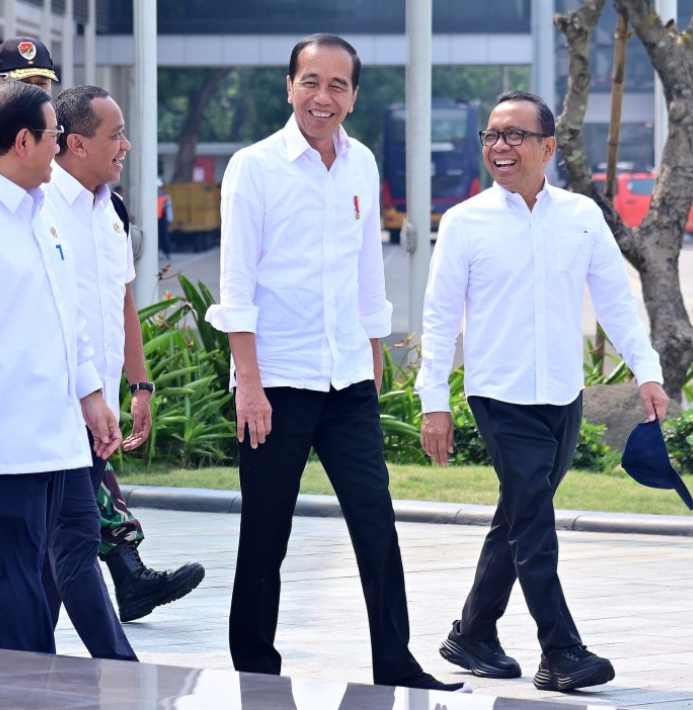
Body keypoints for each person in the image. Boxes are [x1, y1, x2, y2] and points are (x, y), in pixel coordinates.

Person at [204, 34, 466, 692]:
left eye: (337, 85)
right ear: (287, 87)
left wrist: (373, 356)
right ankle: (256, 670)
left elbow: (365, 269)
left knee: (375, 521)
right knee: (266, 532)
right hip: (277, 385)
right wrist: (250, 386)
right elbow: (235, 288)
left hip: (347, 378)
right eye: (310, 82)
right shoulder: (254, 168)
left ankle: (395, 662)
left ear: (353, 95)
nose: (323, 97)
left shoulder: (360, 165)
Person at [0, 36, 205, 624]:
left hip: (68, 396)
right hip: (7, 402)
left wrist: (122, 385)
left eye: (44, 82)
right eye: (21, 81)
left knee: (34, 545)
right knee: (17, 544)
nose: (37, 91)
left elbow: (91, 305)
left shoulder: (80, 197)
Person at [417, 90, 667, 692]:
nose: (499, 147)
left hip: (562, 396)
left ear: (547, 147)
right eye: (491, 136)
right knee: (535, 523)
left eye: (514, 136)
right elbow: (438, 317)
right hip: (499, 398)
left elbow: (615, 299)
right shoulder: (464, 222)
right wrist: (434, 403)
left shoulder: (580, 215)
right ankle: (561, 652)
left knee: (518, 518)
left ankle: (472, 634)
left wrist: (647, 369)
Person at [0, 81, 135, 659]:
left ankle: (26, 674)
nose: (59, 146)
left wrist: (92, 396)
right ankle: (32, 684)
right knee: (15, 566)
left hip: (60, 427)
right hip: (4, 428)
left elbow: (71, 316)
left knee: (59, 553)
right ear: (22, 141)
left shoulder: (42, 210)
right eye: (53, 136)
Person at [157, 178, 173, 259]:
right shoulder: (151, 196)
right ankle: (158, 252)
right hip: (154, 220)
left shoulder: (165, 196)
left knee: (164, 236)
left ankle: (167, 253)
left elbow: (169, 208)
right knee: (156, 237)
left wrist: (169, 219)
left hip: (162, 218)